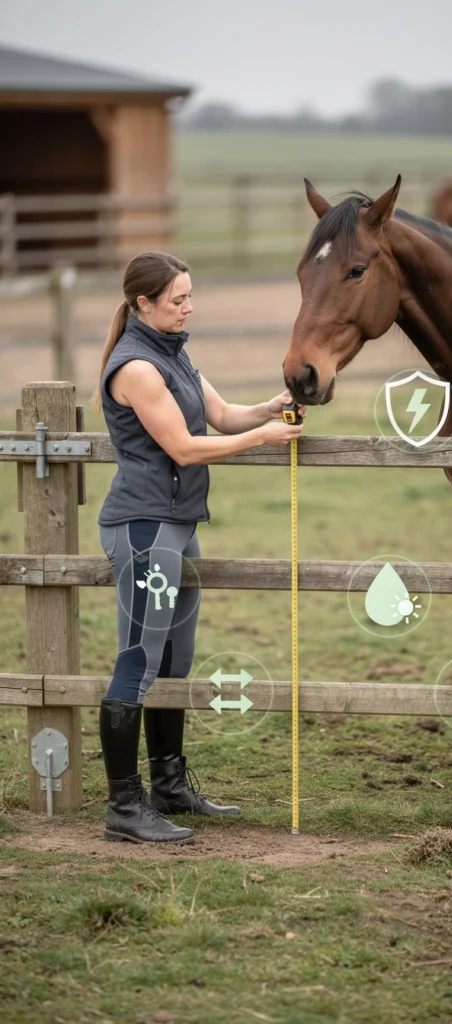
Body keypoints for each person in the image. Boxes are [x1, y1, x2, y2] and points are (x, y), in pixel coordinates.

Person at [92, 251, 305, 845]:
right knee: (137, 662)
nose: (190, 307)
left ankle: (169, 787)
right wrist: (263, 438)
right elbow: (185, 448)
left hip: (178, 526)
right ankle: (124, 808)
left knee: (171, 664)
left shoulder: (173, 350)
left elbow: (219, 414)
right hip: (143, 527)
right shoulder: (135, 367)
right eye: (178, 299)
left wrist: (265, 410)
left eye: (190, 295)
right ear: (144, 304)